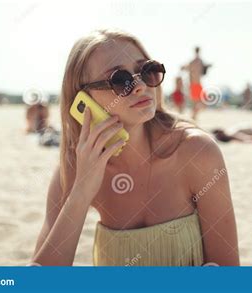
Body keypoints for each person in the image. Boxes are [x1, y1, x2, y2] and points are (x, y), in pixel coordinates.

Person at [31, 29, 239, 266]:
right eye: (120, 80)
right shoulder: (74, 166)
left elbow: (228, 272)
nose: (140, 85)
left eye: (146, 70)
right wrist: (81, 191)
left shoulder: (197, 152)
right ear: (83, 99)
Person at [182, 46, 210, 120]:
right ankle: (193, 117)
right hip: (195, 84)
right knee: (200, 102)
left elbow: (185, 68)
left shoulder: (194, 61)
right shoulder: (198, 61)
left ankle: (193, 116)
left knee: (199, 102)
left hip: (195, 84)